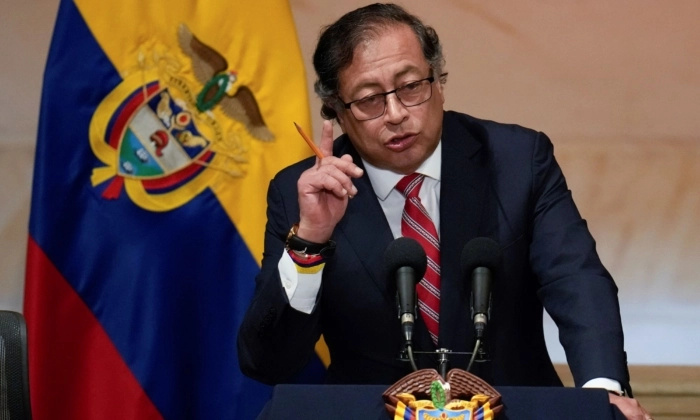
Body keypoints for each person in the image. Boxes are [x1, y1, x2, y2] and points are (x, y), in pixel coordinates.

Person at [238, 3, 651, 419]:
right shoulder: (302, 195)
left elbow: (576, 280)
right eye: (368, 100)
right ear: (337, 110)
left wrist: (604, 394)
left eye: (411, 86)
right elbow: (268, 362)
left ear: (438, 81)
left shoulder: (517, 160)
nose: (397, 114)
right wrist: (311, 240)